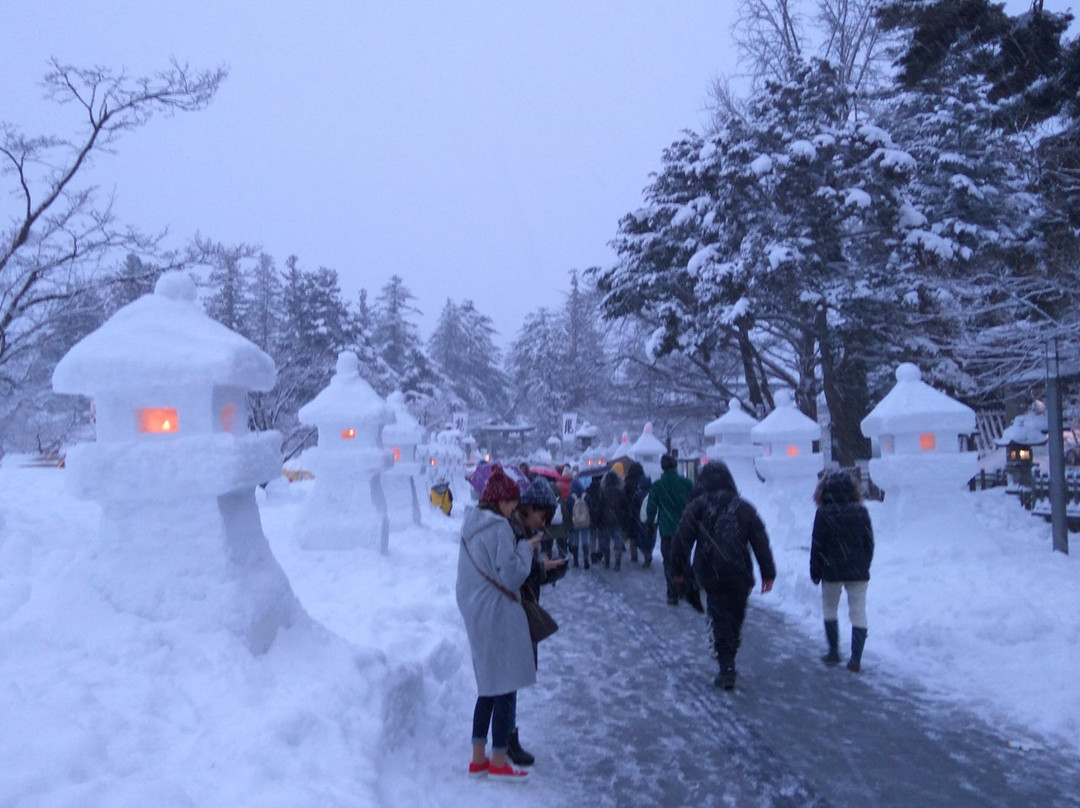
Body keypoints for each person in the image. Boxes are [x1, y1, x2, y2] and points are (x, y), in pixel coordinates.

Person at [455, 465, 537, 782]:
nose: (515, 508)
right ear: (500, 502)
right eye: (512, 502)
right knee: (505, 687)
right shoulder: (500, 529)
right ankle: (499, 760)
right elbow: (512, 574)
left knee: (488, 687)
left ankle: (478, 759)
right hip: (498, 614)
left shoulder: (470, 528)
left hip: (477, 613)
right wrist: (524, 549)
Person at [672, 460, 776, 691]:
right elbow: (760, 541)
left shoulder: (698, 506)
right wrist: (768, 572)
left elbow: (682, 541)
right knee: (735, 616)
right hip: (739, 571)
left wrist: (678, 571)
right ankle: (729, 655)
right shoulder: (743, 507)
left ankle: (726, 665)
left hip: (711, 572)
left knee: (720, 617)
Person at [505, 478, 568, 766]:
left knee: (514, 678)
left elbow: (526, 573)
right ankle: (506, 738)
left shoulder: (525, 531)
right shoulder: (514, 533)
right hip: (513, 614)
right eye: (543, 515)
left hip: (521, 612)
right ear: (528, 508)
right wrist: (536, 567)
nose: (545, 522)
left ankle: (507, 734)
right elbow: (512, 575)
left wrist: (546, 570)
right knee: (509, 679)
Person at [810, 470, 874, 672]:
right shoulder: (861, 511)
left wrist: (816, 570)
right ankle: (856, 658)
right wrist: (864, 563)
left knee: (830, 609)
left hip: (831, 570)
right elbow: (869, 542)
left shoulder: (823, 513)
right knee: (858, 612)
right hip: (857, 570)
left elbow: (817, 545)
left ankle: (833, 651)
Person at [646, 454, 694, 603]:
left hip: (667, 529)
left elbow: (651, 508)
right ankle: (684, 588)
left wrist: (649, 524)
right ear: (675, 466)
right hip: (685, 529)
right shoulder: (686, 483)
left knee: (669, 561)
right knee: (684, 559)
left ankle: (672, 592)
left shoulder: (657, 486)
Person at [597, 468, 631, 570]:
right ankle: (617, 563)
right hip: (618, 520)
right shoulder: (621, 492)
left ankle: (607, 562)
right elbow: (625, 507)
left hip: (605, 521)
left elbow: (599, 507)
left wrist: (597, 520)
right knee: (617, 541)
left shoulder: (603, 492)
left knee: (606, 541)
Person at [623, 461, 653, 567]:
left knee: (632, 534)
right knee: (646, 533)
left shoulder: (628, 481)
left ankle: (634, 555)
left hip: (632, 511)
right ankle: (647, 554)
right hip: (644, 511)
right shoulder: (644, 480)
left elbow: (624, 497)